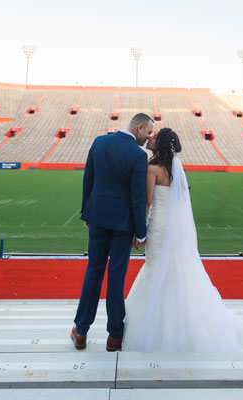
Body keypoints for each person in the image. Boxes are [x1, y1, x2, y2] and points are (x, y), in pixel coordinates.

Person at [123, 128, 243, 353]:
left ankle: (156, 328)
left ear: (161, 143)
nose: (150, 138)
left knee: (156, 269)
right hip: (173, 228)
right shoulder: (175, 168)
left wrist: (140, 234)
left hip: (159, 227)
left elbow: (146, 203)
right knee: (175, 271)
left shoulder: (152, 169)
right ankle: (183, 324)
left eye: (155, 136)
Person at [72, 113, 154, 352]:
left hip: (97, 217)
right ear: (139, 128)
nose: (149, 138)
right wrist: (141, 232)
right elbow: (137, 197)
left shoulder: (100, 142)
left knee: (94, 271)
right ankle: (114, 336)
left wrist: (87, 211)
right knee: (116, 277)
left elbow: (88, 179)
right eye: (148, 132)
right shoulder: (138, 156)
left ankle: (81, 331)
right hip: (122, 225)